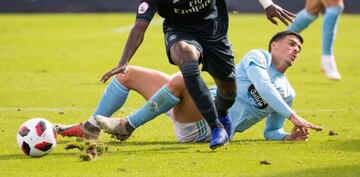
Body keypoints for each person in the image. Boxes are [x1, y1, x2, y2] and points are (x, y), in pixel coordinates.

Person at [99, 0, 295, 149]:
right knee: (187, 61)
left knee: (228, 93)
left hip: (214, 34)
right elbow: (139, 27)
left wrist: (267, 3)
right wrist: (124, 60)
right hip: (180, 32)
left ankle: (221, 114)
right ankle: (216, 127)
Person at [56, 31, 322, 143]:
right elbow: (263, 86)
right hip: (195, 104)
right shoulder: (258, 58)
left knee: (183, 79)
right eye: (291, 43)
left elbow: (271, 131)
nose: (295, 49)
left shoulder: (287, 93)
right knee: (127, 74)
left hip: (207, 127)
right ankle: (91, 129)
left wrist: (288, 135)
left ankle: (127, 126)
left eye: (299, 48)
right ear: (273, 45)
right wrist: (293, 115)